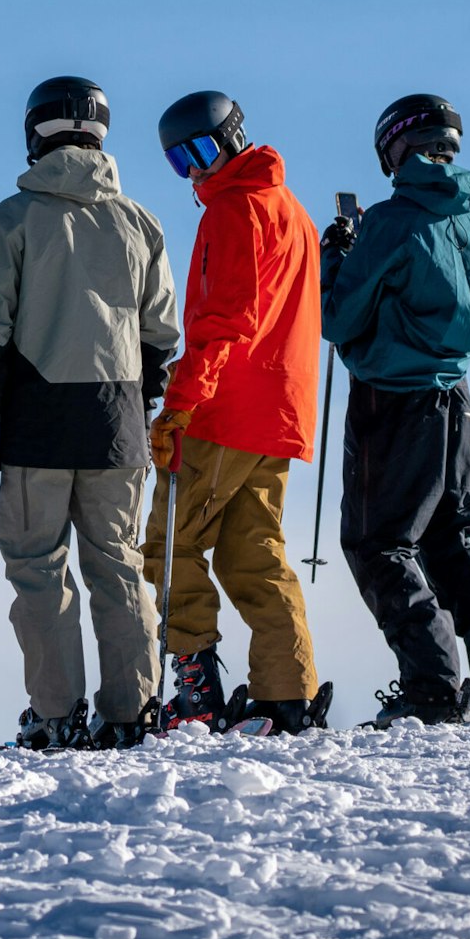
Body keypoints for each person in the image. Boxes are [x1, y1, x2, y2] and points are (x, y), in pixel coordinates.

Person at [0, 76, 179, 751]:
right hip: (118, 422)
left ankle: (56, 714)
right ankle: (132, 710)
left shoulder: (14, 217)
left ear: (35, 133)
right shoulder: (140, 221)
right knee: (118, 563)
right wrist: (139, 405)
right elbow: (161, 334)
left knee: (38, 566)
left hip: (38, 421)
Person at [321, 93, 470, 727]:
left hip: (393, 398)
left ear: (394, 149)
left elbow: (338, 317)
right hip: (456, 398)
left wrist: (336, 256)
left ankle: (433, 688)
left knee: (378, 543)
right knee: (450, 542)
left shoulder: (392, 222)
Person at [143, 92, 332, 736]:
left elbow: (225, 319)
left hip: (226, 410)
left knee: (169, 542)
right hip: (280, 414)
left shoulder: (234, 208)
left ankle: (196, 691)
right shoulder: (291, 210)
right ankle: (287, 694)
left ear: (231, 137)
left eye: (200, 150)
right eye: (178, 161)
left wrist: (181, 403)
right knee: (255, 551)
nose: (194, 169)